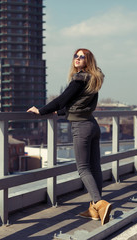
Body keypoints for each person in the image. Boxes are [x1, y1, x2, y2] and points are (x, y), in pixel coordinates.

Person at [27, 48, 112, 225]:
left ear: (88, 61)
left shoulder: (80, 78)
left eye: (82, 57)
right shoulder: (93, 78)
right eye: (76, 56)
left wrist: (41, 110)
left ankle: (99, 203)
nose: (78, 59)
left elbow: (62, 99)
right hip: (93, 125)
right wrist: (61, 111)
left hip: (81, 127)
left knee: (83, 168)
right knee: (95, 167)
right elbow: (77, 103)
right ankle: (95, 210)